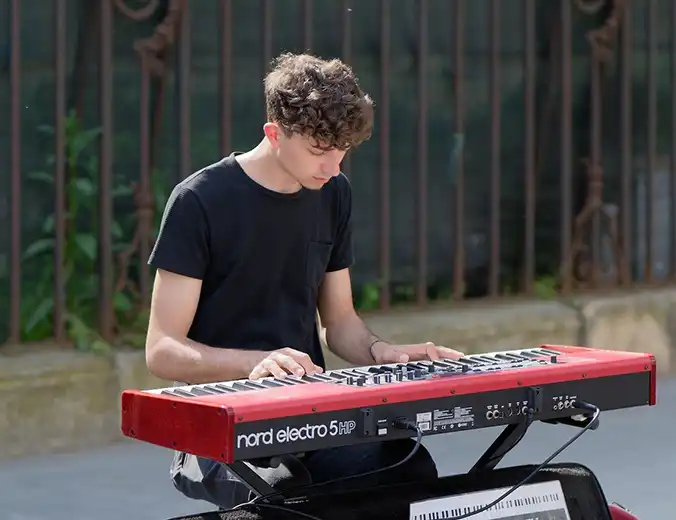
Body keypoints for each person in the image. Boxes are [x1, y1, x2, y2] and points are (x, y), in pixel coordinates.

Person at [144, 52, 465, 511]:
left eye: (343, 152)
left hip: (307, 415)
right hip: (216, 428)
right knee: (290, 493)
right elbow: (162, 350)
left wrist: (381, 353)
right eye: (319, 151)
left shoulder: (333, 193)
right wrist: (256, 363)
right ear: (274, 133)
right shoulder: (199, 201)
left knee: (405, 468)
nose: (333, 166)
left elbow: (340, 325)